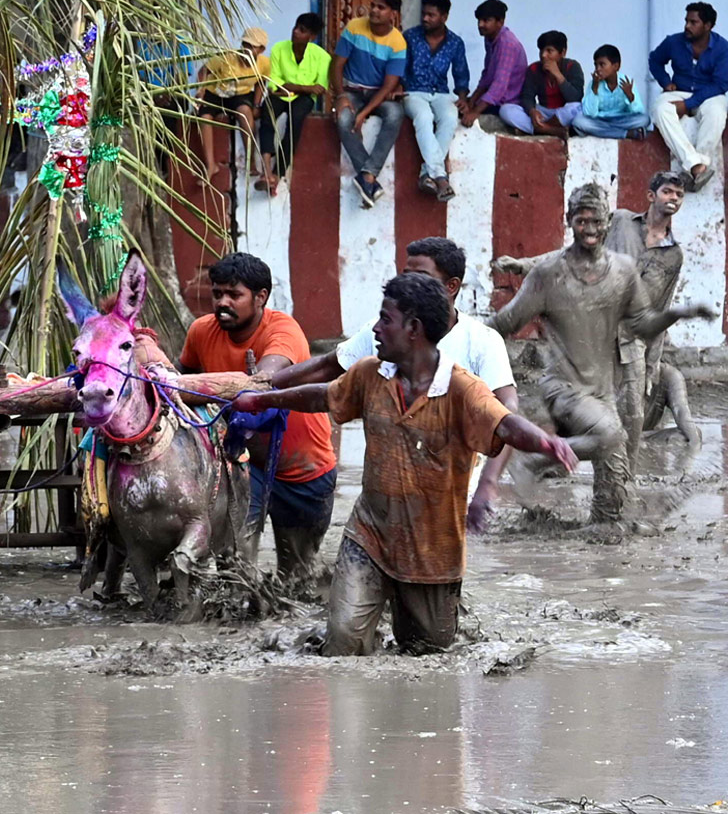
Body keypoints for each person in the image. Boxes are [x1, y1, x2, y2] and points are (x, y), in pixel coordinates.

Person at [236, 274, 577, 656]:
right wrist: (264, 400)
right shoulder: (369, 374)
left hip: (433, 551)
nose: (376, 329)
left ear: (413, 329)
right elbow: (323, 396)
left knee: (429, 652)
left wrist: (545, 441)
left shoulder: (461, 389)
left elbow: (504, 423)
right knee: (344, 643)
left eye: (385, 320)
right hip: (369, 535)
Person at [487, 183, 713, 538]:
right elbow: (504, 323)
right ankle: (532, 459)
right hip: (561, 388)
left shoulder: (623, 271)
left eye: (595, 222)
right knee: (610, 435)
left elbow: (642, 324)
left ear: (606, 224)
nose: (589, 230)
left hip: (603, 391)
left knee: (611, 514)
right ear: (569, 221)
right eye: (581, 221)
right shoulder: (549, 275)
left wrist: (680, 313)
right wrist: (456, 342)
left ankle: (583, 530)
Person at [273, 236, 517, 532]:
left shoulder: (482, 341)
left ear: (451, 287)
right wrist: (262, 384)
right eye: (405, 275)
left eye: (421, 277)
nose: (409, 284)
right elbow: (328, 367)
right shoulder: (385, 331)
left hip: (454, 497)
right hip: (388, 494)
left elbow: (506, 414)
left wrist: (488, 485)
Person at [179, 253, 337, 583]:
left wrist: (252, 384)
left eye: (234, 295)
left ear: (261, 297)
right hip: (244, 465)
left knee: (299, 574)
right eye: (217, 293)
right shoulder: (200, 332)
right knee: (234, 568)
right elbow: (183, 387)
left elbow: (269, 375)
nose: (222, 302)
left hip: (302, 469)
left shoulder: (283, 329)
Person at [332, 0, 407, 208]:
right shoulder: (354, 27)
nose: (374, 10)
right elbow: (336, 65)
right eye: (373, 5)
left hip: (377, 93)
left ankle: (368, 174)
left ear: (393, 13)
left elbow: (388, 87)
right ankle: (368, 178)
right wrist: (340, 96)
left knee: (395, 113)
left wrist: (364, 114)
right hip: (352, 90)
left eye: (381, 8)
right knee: (344, 119)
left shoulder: (398, 42)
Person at [648, 1, 728, 192]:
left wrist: (688, 104)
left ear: (708, 26)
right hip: (680, 89)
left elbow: (720, 85)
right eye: (686, 21)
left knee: (717, 111)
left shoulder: (723, 48)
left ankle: (702, 162)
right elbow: (655, 60)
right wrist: (666, 82)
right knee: (660, 108)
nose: (687, 26)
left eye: (694, 22)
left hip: (708, 94)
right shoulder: (674, 42)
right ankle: (694, 164)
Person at [401, 0, 469, 202]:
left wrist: (463, 99)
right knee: (423, 118)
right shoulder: (410, 37)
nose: (425, 19)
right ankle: (440, 177)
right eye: (424, 14)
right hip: (413, 92)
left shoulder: (455, 43)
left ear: (444, 17)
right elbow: (400, 68)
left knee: (449, 118)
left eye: (431, 15)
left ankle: (427, 173)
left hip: (440, 93)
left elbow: (461, 76)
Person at [257, 12, 330, 195]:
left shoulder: (322, 57)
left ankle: (277, 173)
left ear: (312, 37)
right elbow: (274, 86)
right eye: (296, 27)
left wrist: (293, 87)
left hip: (302, 99)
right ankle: (266, 171)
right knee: (268, 111)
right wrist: (304, 87)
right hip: (283, 94)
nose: (296, 32)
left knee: (295, 121)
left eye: (302, 30)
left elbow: (320, 88)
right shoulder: (279, 49)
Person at [195, 27, 270, 179]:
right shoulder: (226, 57)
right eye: (245, 44)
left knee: (245, 113)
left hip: (240, 94)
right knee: (204, 117)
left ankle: (251, 163)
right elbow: (203, 71)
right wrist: (201, 89)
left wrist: (256, 105)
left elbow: (261, 83)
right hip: (215, 92)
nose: (247, 49)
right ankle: (211, 166)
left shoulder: (264, 64)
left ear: (261, 49)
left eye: (252, 46)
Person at [499, 30, 584, 138]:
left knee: (577, 107)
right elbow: (527, 96)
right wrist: (532, 111)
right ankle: (550, 130)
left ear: (562, 53)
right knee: (506, 110)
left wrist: (558, 75)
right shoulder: (534, 69)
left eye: (549, 51)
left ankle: (540, 129)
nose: (544, 55)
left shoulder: (572, 67)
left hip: (562, 114)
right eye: (541, 50)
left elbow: (576, 97)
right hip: (543, 112)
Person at [460, 0, 527, 128]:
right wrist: (472, 100)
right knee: (459, 107)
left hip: (507, 102)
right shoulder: (490, 38)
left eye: (486, 20)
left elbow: (499, 86)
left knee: (463, 116)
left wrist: (475, 111)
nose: (480, 25)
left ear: (500, 22)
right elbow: (487, 76)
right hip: (494, 100)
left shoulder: (507, 43)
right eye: (479, 21)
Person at [572, 44, 651, 140]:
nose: (598, 69)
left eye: (602, 65)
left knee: (644, 119)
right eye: (596, 65)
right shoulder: (594, 83)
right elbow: (590, 113)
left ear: (616, 66)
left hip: (621, 120)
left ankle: (604, 132)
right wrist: (595, 89)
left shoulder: (626, 81)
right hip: (600, 120)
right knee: (579, 121)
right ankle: (626, 134)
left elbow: (638, 111)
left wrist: (630, 96)